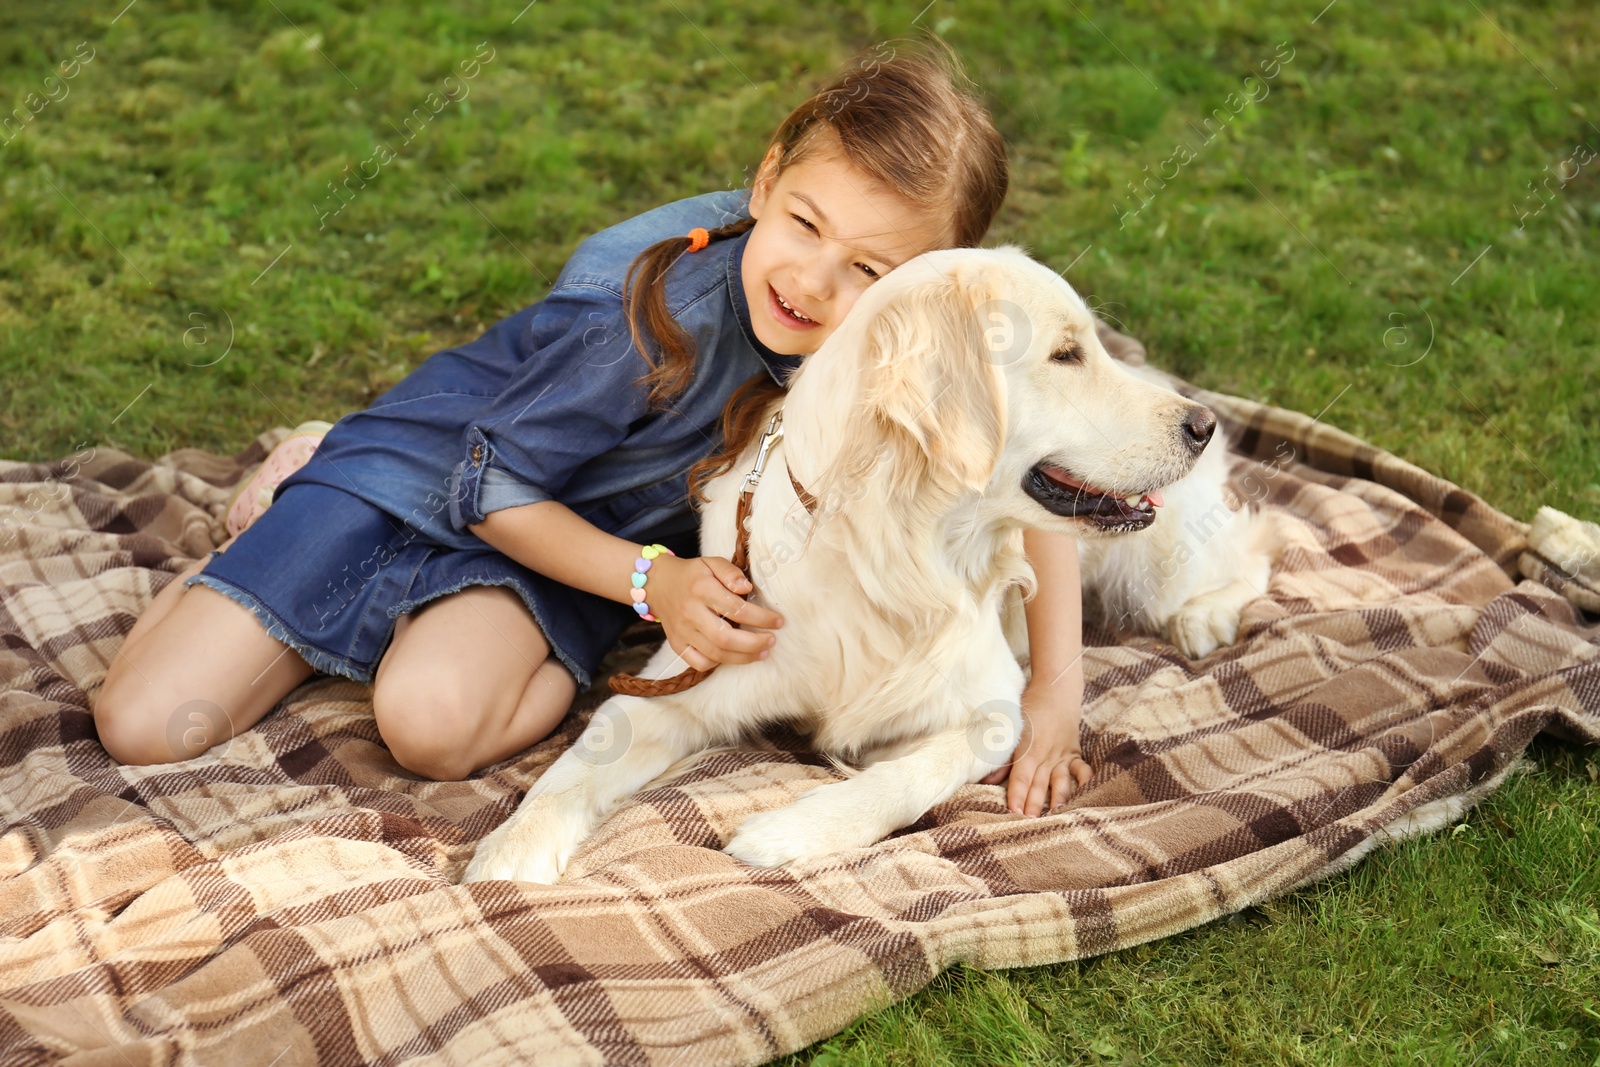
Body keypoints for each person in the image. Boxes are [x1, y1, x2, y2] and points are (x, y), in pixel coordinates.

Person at [94, 35, 1107, 815]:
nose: (811, 280)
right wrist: (655, 584)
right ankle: (286, 501)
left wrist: (1052, 698)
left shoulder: (919, 342)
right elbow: (488, 486)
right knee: (145, 726)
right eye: (802, 224)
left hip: (558, 551)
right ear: (764, 183)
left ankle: (453, 630)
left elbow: (1031, 473)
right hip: (437, 475)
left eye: (870, 271)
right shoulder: (649, 315)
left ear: (923, 286)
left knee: (431, 727)